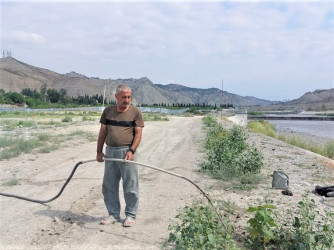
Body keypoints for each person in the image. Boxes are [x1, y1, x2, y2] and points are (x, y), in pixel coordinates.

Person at [96, 85, 144, 227]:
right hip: (110, 152)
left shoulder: (135, 112)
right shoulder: (108, 111)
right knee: (109, 185)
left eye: (129, 97)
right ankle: (113, 214)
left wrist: (132, 151)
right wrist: (99, 151)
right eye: (124, 97)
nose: (127, 100)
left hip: (127, 152)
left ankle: (130, 215)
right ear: (116, 97)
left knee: (130, 185)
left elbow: (138, 134)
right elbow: (102, 132)